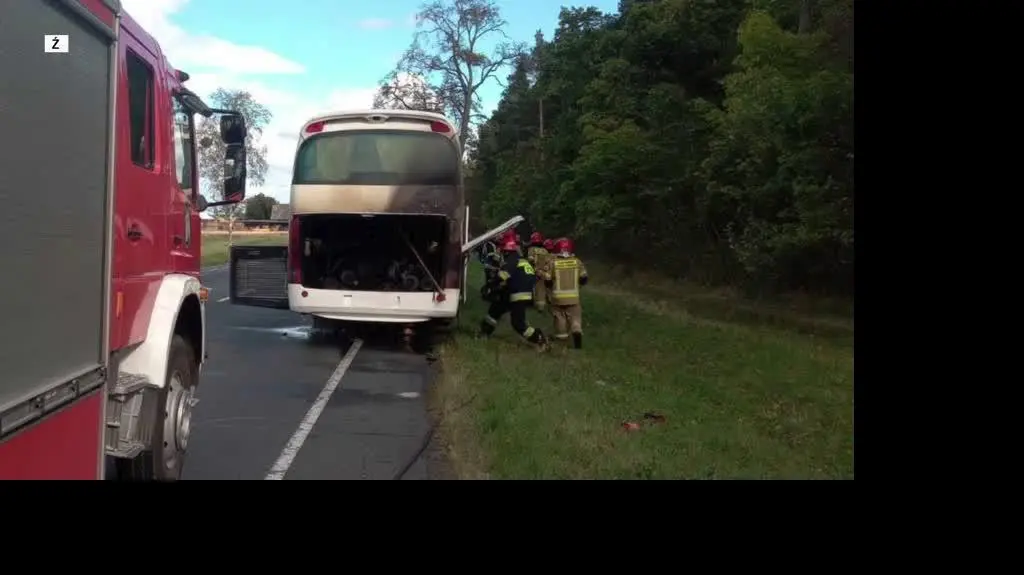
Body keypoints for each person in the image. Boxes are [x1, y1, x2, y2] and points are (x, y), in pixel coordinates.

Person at [478, 235, 549, 351]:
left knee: (518, 324)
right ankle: (484, 333)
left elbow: (503, 276)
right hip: (517, 292)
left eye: (502, 249)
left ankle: (539, 338)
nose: (500, 252)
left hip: (518, 294)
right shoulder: (521, 260)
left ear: (506, 250)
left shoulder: (512, 260)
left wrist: (489, 286)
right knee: (495, 309)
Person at [538, 237, 588, 349]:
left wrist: (549, 287)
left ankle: (562, 339)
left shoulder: (553, 263)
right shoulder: (577, 262)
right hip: (574, 297)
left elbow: (548, 280)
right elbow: (584, 278)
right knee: (575, 317)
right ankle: (576, 330)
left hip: (557, 298)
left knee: (559, 318)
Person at [526, 232, 551, 311]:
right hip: (543, 272)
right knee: (542, 289)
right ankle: (542, 305)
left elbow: (530, 260)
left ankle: (532, 304)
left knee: (532, 288)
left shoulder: (531, 249)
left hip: (534, 271)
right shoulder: (545, 251)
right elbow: (548, 262)